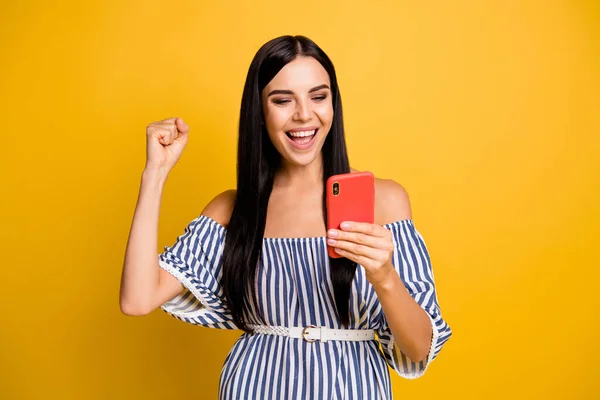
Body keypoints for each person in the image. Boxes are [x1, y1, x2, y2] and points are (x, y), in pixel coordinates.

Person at [119, 35, 452, 399]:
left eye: (318, 96)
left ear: (333, 106)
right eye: (282, 100)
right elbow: (137, 299)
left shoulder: (384, 201)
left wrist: (384, 276)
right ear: (260, 114)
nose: (304, 114)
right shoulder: (234, 210)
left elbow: (418, 349)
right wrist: (155, 173)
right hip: (253, 386)